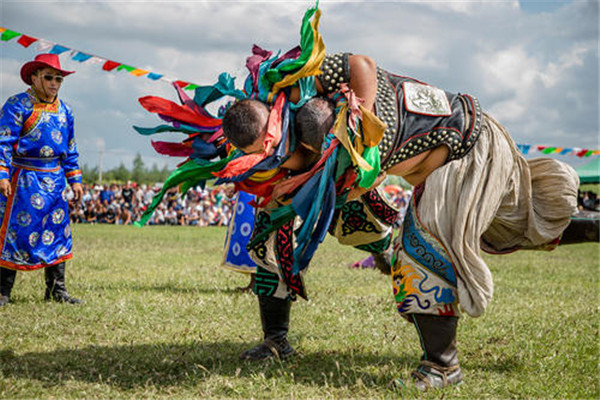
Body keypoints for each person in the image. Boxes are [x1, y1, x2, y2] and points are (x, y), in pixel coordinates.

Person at [221, 52, 597, 390]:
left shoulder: (313, 85)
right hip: (432, 163)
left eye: (271, 148)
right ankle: (276, 339)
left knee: (422, 248)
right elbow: (323, 184)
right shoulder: (288, 129)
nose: (271, 157)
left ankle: (443, 367)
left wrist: (361, 125)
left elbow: (362, 64)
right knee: (272, 226)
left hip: (466, 148)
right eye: (259, 155)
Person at [0, 53, 83, 306]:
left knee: (57, 233)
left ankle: (57, 291)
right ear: (34, 77)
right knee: (16, 234)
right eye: (48, 77)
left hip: (55, 181)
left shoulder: (65, 110)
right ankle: (3, 292)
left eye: (58, 78)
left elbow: (69, 148)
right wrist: (2, 173)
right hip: (23, 180)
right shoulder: (17, 105)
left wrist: (75, 179)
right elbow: (2, 142)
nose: (54, 83)